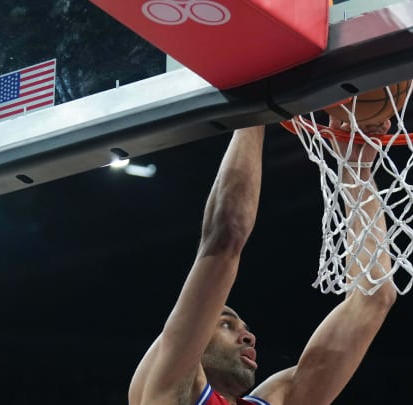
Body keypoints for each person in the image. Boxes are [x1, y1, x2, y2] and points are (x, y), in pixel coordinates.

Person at [129, 121, 396, 405]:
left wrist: (355, 169)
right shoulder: (162, 389)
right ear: (193, 343)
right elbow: (225, 236)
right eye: (226, 325)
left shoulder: (279, 398)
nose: (249, 337)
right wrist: (252, 117)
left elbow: (375, 296)